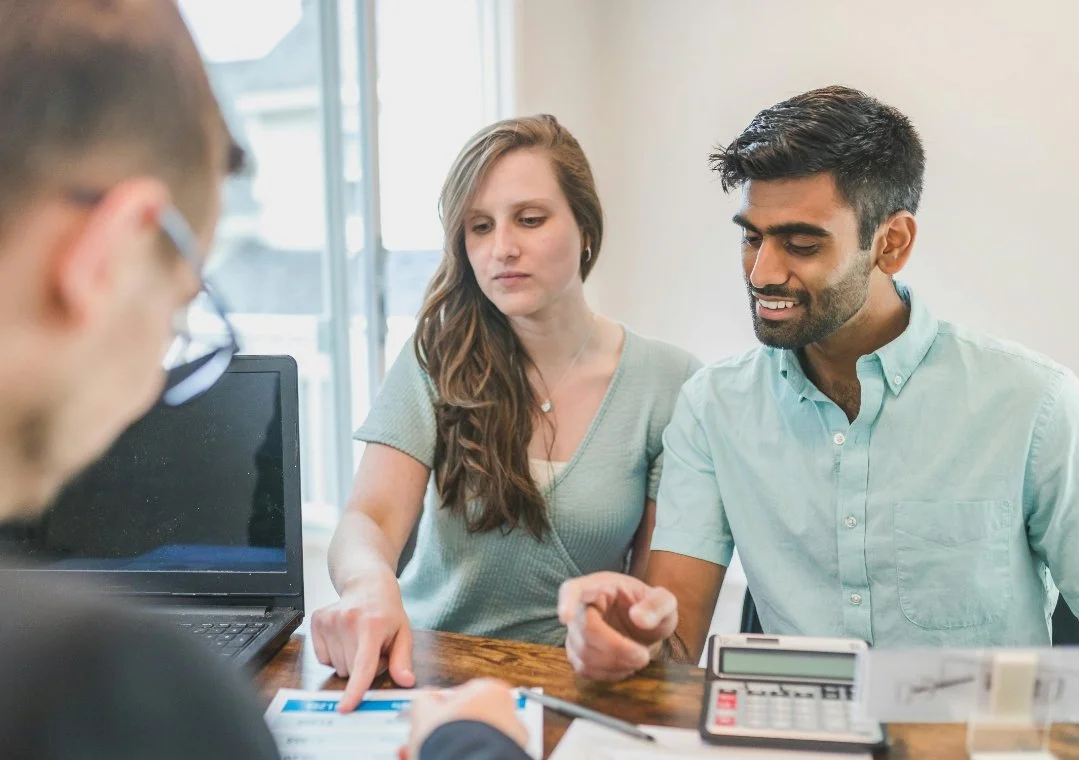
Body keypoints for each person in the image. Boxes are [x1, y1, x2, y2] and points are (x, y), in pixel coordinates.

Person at [0, 1, 530, 757]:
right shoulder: (109, 687)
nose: (155, 379)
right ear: (107, 259)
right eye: (181, 309)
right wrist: (474, 743)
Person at [559, 85, 1079, 681]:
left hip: (980, 740)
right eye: (752, 237)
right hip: (794, 737)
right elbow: (671, 641)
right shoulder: (714, 408)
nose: (762, 273)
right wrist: (622, 637)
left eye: (801, 244)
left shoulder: (1032, 405)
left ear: (893, 243)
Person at [312, 114, 701, 710]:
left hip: (575, 691)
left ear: (586, 229)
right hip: (425, 674)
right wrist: (369, 584)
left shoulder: (668, 381)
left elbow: (654, 602)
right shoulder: (436, 356)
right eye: (480, 227)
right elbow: (369, 517)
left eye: (530, 219)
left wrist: (626, 633)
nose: (503, 249)